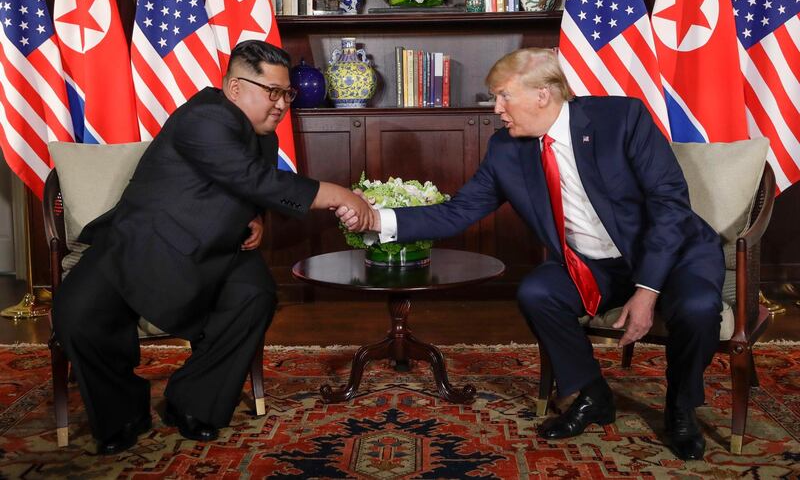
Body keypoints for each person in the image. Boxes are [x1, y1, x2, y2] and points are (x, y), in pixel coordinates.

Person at [341, 48, 724, 461]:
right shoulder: (507, 148)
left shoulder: (622, 119)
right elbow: (460, 211)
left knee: (699, 307)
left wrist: (647, 291)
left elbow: (670, 206)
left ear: (543, 94)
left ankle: (681, 406)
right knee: (538, 291)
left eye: (503, 96)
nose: (496, 109)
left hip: (674, 254)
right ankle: (593, 394)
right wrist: (376, 220)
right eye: (494, 98)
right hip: (596, 265)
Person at [52, 40, 373, 455]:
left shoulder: (260, 133)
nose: (280, 104)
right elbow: (250, 177)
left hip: (217, 245)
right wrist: (340, 196)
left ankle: (192, 404)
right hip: (143, 238)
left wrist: (255, 217)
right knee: (77, 316)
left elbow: (245, 186)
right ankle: (122, 413)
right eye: (271, 92)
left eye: (287, 93)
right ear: (235, 88)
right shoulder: (205, 116)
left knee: (255, 295)